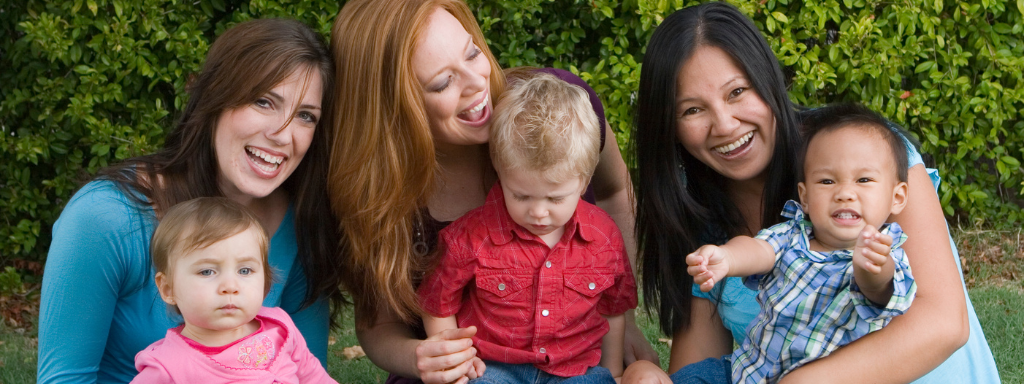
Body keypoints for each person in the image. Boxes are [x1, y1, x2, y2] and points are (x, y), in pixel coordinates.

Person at [626, 2, 999, 383]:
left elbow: (944, 323)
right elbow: (699, 368)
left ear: (768, 80)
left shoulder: (864, 157)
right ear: (667, 126)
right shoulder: (700, 217)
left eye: (737, 91)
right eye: (692, 110)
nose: (724, 124)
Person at [328, 1, 655, 383]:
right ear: (391, 106)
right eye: (442, 82)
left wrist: (624, 320)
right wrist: (424, 356)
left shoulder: (557, 112)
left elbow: (615, 192)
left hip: (572, 358)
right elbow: (377, 327)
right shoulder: (381, 192)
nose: (476, 82)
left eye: (471, 52)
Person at [38, 18, 344, 384]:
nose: (282, 135)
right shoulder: (105, 218)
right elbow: (64, 379)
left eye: (306, 116)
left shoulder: (298, 227)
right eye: (263, 101)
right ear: (215, 97)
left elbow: (308, 372)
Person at [665, 104, 917, 383]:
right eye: (827, 180)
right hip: (745, 372)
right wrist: (727, 258)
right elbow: (758, 249)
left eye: (864, 179)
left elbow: (879, 290)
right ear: (805, 196)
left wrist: (870, 267)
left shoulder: (886, 253)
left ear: (897, 197)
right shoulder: (793, 234)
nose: (845, 193)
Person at [418, 74, 636, 383]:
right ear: (499, 171)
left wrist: (613, 370)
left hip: (575, 369)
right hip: (495, 367)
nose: (538, 212)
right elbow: (438, 301)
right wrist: (455, 363)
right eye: (520, 195)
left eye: (555, 197)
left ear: (585, 181)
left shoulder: (604, 237)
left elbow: (614, 308)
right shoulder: (470, 237)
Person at [131, 197, 336, 383]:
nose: (230, 286)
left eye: (245, 270)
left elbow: (314, 377)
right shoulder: (168, 367)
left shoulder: (280, 327)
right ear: (168, 289)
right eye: (207, 272)